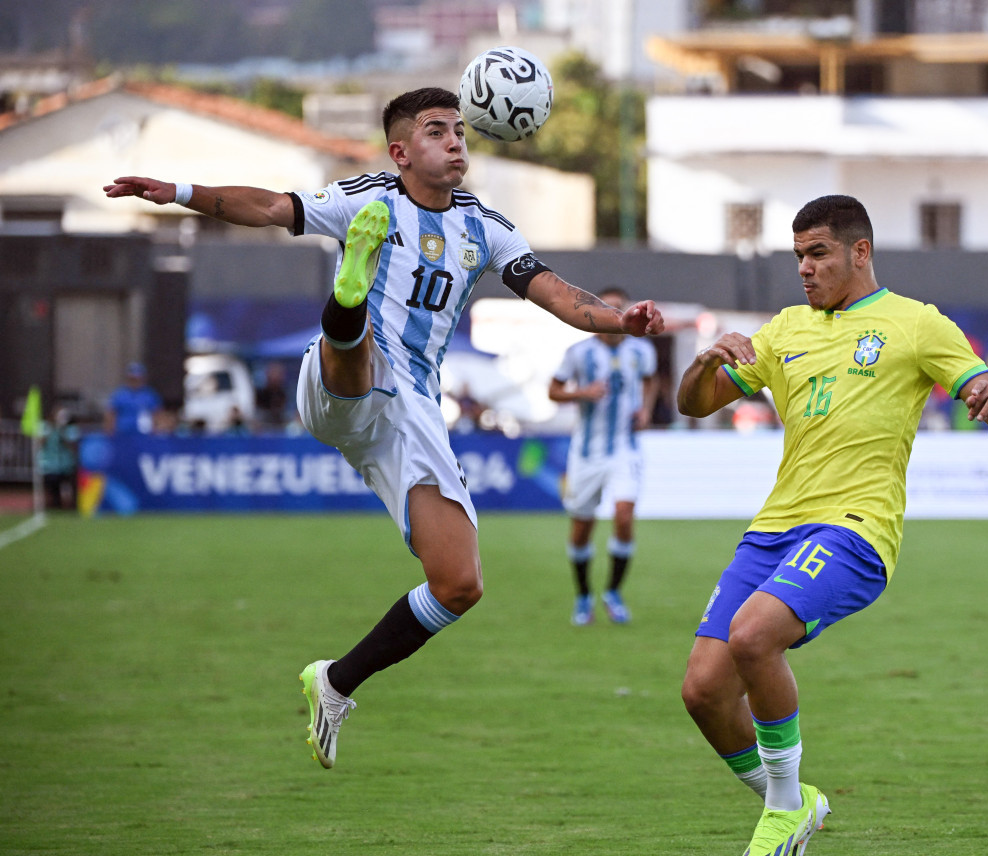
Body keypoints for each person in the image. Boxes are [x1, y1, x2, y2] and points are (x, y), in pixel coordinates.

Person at [103, 87, 664, 770]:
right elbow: (270, 206)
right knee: (361, 353)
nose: (456, 141)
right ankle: (349, 298)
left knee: (460, 583)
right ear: (400, 152)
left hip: (414, 415)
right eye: (437, 131)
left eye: (460, 130)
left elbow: (559, 295)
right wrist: (181, 191)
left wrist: (619, 319)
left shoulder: (487, 228)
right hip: (343, 381)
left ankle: (335, 682)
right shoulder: (370, 196)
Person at [676, 195, 988, 856]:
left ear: (859, 252)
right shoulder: (785, 330)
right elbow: (696, 402)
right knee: (703, 691)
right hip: (773, 528)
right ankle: (796, 802)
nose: (804, 269)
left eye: (818, 254)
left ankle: (781, 807)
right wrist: (702, 361)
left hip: (855, 528)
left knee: (752, 638)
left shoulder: (916, 324)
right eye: (798, 256)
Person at [547, 287, 658, 625]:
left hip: (625, 449)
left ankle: (612, 592)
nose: (615, 314)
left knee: (624, 516)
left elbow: (651, 382)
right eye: (607, 308)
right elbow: (553, 390)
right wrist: (583, 392)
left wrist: (645, 411)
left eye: (619, 308)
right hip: (586, 453)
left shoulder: (641, 350)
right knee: (582, 528)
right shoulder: (579, 352)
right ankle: (583, 596)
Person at [103, 362, 161, 434]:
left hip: (143, 435)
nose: (135, 381)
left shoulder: (150, 395)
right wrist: (109, 431)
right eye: (132, 379)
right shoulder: (119, 394)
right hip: (122, 434)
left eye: (137, 379)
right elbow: (111, 414)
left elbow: (156, 415)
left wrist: (155, 432)